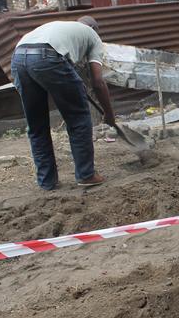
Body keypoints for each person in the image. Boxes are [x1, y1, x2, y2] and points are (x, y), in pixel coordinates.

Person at [11, 16, 116, 190]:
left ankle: (47, 181)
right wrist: (109, 113)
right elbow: (98, 82)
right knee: (78, 117)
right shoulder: (92, 36)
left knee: (37, 126)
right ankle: (86, 174)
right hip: (48, 56)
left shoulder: (61, 28)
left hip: (19, 58)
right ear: (93, 28)